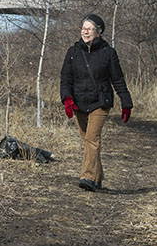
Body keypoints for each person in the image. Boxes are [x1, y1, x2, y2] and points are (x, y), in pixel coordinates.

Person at [60, 14, 133, 192]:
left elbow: (117, 79)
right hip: (78, 103)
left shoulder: (108, 53)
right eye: (83, 28)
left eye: (90, 28)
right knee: (88, 141)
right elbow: (65, 78)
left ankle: (87, 177)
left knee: (92, 139)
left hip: (100, 102)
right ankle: (98, 176)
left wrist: (126, 101)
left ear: (98, 32)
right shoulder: (73, 52)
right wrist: (67, 98)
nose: (85, 31)